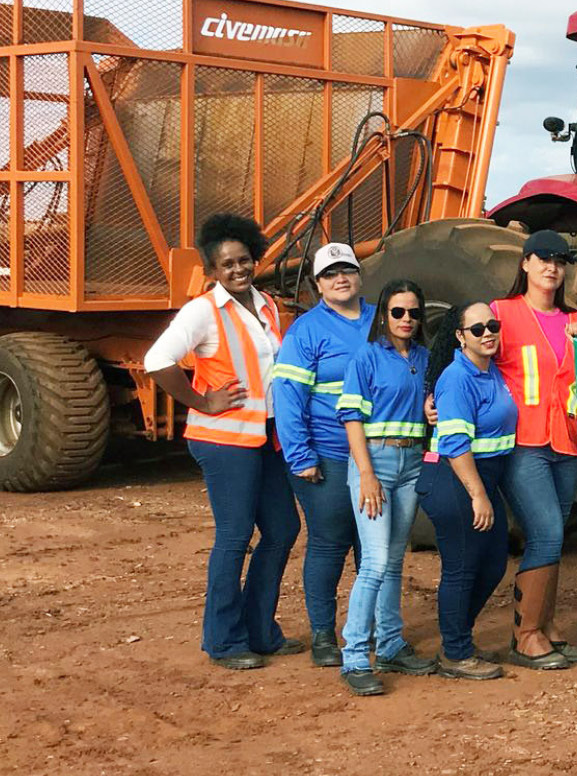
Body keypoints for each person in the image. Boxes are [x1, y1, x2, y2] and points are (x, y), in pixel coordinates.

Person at [144, 214, 302, 669]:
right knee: (235, 537)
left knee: (283, 530)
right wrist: (201, 400)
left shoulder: (267, 305)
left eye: (244, 260)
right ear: (212, 271)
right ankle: (225, 641)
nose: (238, 269)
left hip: (266, 436)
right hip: (224, 439)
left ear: (256, 259)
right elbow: (157, 359)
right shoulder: (203, 311)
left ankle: (260, 631)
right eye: (226, 264)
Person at [489, 230, 577, 670]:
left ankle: (546, 627)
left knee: (552, 533)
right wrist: (436, 396)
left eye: (559, 260)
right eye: (542, 258)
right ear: (526, 264)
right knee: (547, 532)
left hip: (565, 442)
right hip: (523, 443)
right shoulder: (501, 313)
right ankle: (524, 634)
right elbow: (464, 354)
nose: (552, 267)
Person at [270, 242, 375, 667]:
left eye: (347, 269)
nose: (341, 278)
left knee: (373, 548)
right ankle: (323, 634)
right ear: (318, 285)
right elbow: (288, 395)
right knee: (331, 544)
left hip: (377, 454)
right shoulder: (306, 331)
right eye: (331, 274)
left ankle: (371, 630)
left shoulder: (382, 321)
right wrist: (301, 456)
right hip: (327, 454)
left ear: (359, 273)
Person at [334, 280, 437, 696]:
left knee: (393, 561)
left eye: (413, 313)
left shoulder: (425, 358)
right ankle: (355, 655)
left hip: (412, 462)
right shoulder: (367, 357)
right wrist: (366, 475)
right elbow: (352, 418)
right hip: (374, 462)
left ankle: (391, 644)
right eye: (398, 312)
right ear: (383, 315)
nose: (407, 320)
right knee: (375, 561)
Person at [417, 302, 517, 680]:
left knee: (490, 566)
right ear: (460, 336)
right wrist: (478, 494)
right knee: (461, 568)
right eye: (477, 329)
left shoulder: (489, 372)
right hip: (454, 480)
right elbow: (456, 443)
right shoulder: (457, 378)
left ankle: (457, 637)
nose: (487, 333)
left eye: (492, 325)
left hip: (479, 480)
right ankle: (455, 654)